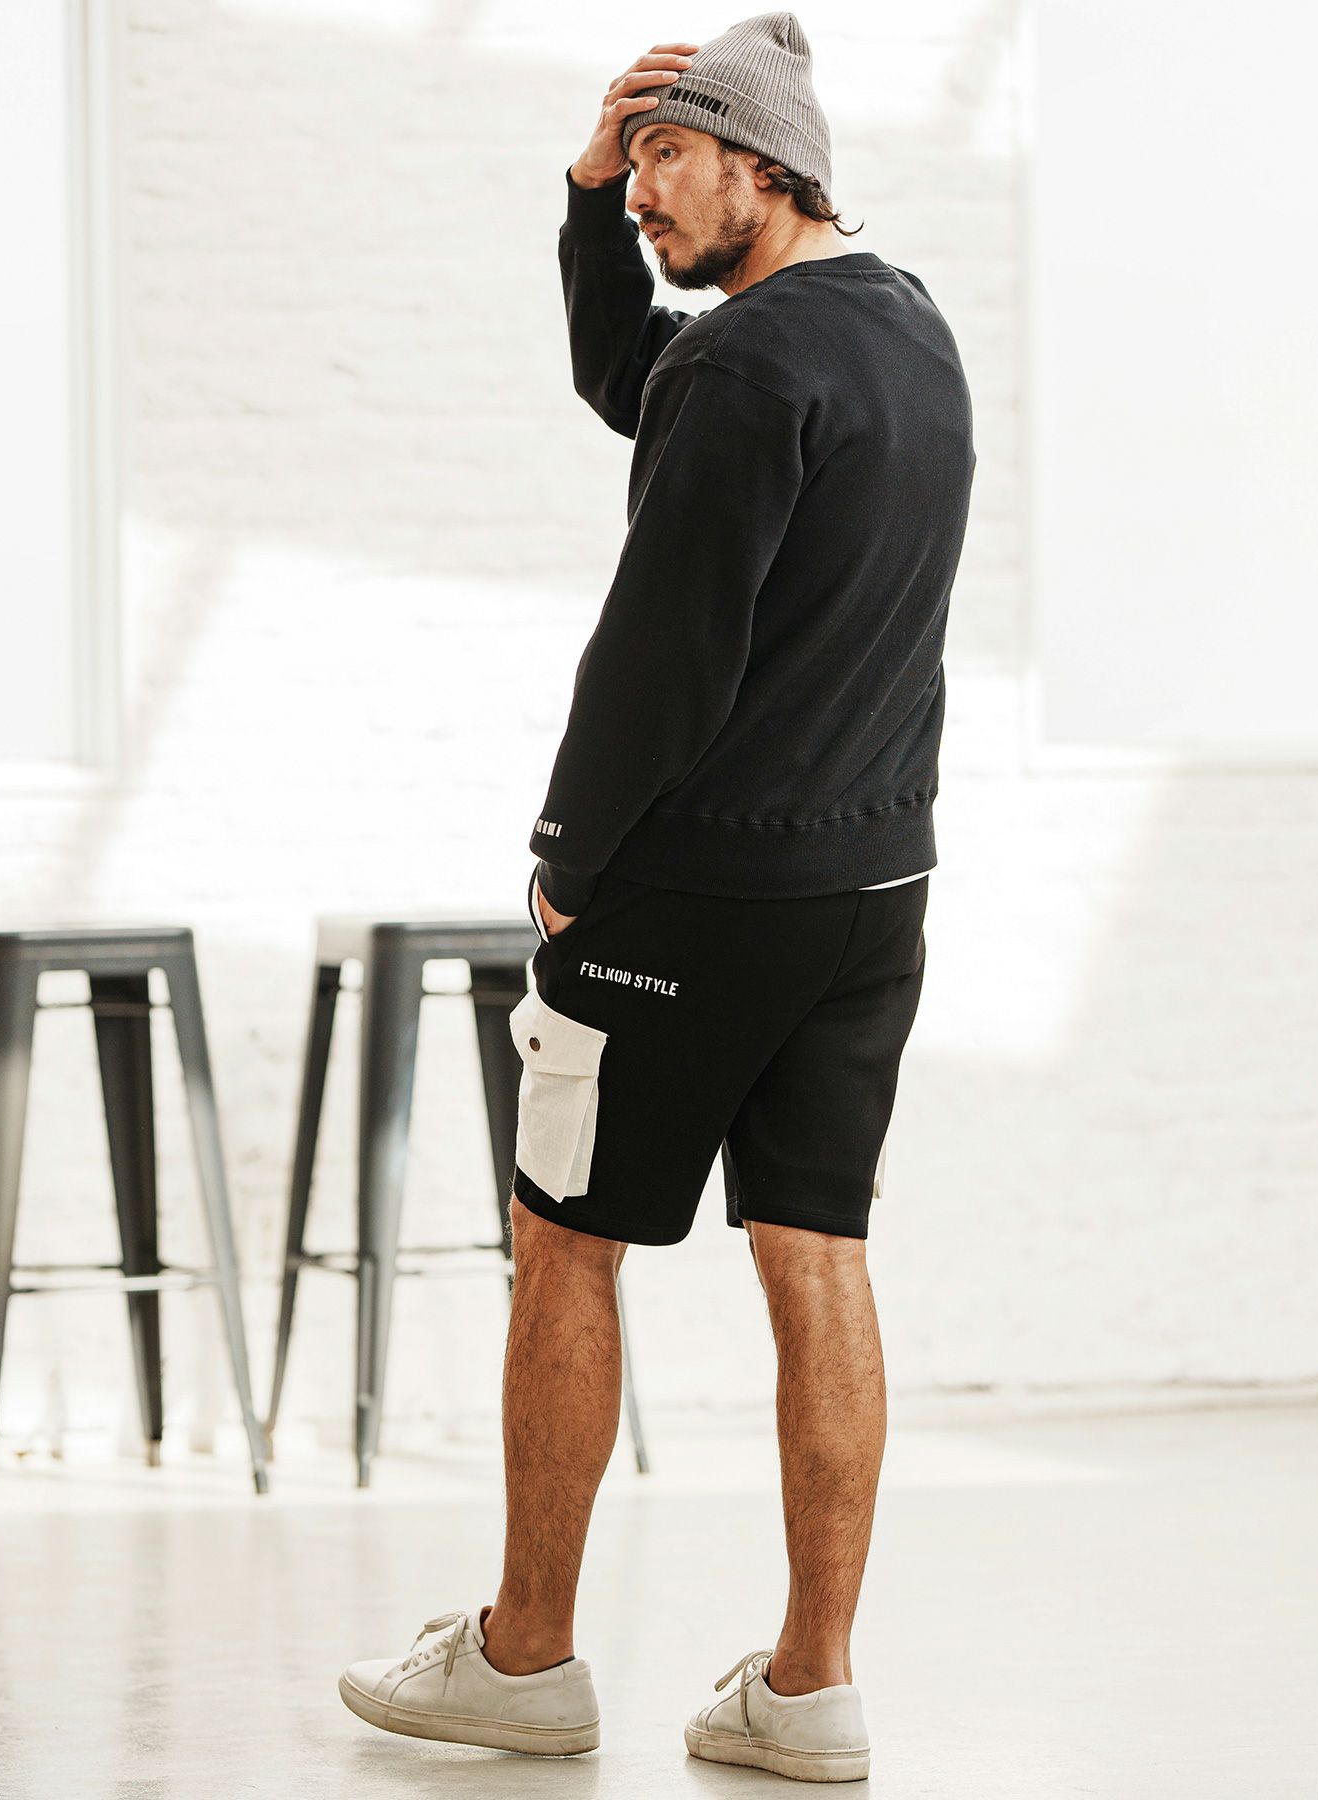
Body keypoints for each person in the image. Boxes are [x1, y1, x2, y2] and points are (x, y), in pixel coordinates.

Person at [338, 11, 975, 1782]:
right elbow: (639, 381)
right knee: (818, 1253)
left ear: (768, 162)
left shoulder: (748, 368)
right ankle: (810, 1689)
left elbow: (660, 658)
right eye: (630, 169)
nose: (639, 195)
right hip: (873, 888)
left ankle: (525, 1659)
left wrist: (566, 865)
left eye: (668, 158)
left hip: (698, 896)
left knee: (567, 1238)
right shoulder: (903, 330)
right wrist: (580, 191)